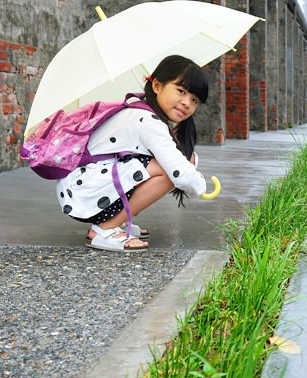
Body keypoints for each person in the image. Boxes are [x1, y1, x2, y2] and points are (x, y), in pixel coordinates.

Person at [56, 55, 210, 252]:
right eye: (181, 91)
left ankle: (112, 220)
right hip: (81, 191)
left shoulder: (141, 109)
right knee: (168, 171)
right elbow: (179, 172)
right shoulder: (147, 120)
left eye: (194, 99)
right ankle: (105, 228)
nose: (187, 103)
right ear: (156, 85)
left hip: (85, 187)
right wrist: (200, 184)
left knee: (168, 163)